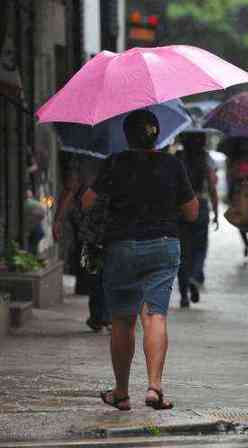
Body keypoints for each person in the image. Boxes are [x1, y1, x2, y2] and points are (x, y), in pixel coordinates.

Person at [82, 110, 198, 411]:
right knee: (155, 316)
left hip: (121, 248)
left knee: (122, 320)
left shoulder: (114, 163)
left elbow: (88, 202)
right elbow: (192, 212)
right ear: (157, 133)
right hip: (163, 246)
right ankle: (155, 387)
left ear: (126, 136)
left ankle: (121, 393)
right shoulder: (172, 165)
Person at [53, 152, 110, 331]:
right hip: (117, 222)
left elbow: (71, 187)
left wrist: (58, 219)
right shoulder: (121, 155)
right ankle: (107, 315)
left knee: (94, 270)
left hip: (91, 224)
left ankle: (98, 316)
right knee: (112, 270)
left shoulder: (80, 155)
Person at [176, 131, 219, 308]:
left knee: (183, 252)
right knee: (200, 247)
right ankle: (195, 275)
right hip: (200, 204)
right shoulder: (205, 158)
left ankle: (184, 295)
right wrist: (215, 211)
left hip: (180, 207)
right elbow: (212, 185)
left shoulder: (177, 158)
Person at [226, 137, 248, 260]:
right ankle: (247, 244)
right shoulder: (234, 162)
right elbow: (232, 176)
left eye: (246, 145)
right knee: (239, 220)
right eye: (242, 145)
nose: (244, 147)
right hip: (239, 195)